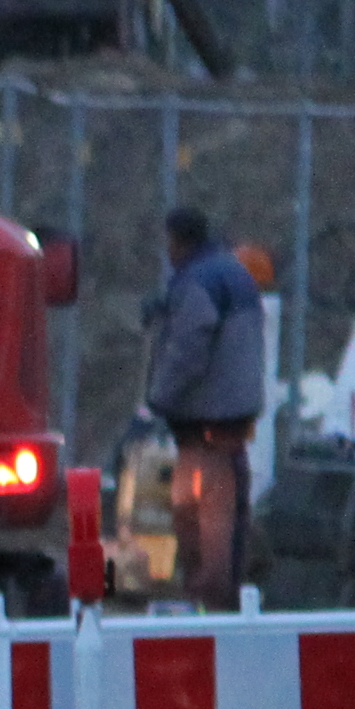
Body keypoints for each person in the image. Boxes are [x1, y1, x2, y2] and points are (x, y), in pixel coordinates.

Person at [144, 205, 270, 608]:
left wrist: (159, 396)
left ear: (177, 241)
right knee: (228, 528)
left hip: (204, 431)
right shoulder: (233, 274)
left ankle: (210, 616)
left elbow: (189, 349)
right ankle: (229, 606)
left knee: (206, 533)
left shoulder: (198, 283)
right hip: (232, 427)